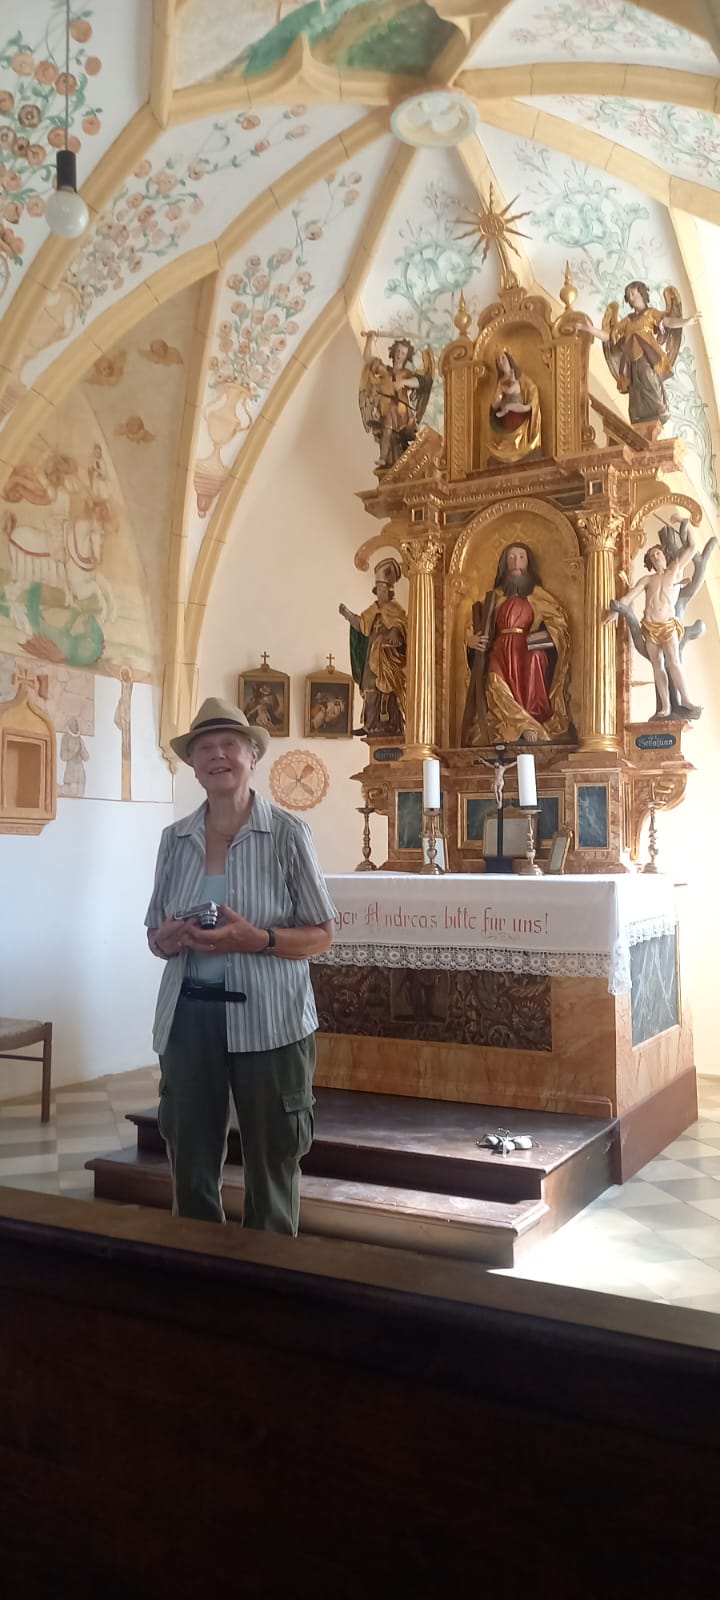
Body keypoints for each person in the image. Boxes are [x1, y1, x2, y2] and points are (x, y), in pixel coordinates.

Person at [145, 696, 336, 1233]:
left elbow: (322, 935)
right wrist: (168, 937)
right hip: (188, 1022)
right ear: (193, 763)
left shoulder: (288, 834)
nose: (217, 755)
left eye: (230, 743)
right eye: (204, 747)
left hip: (271, 1022)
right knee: (190, 1163)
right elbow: (155, 936)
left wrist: (259, 939)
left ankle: (269, 1286)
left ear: (253, 755)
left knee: (274, 1161)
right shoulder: (173, 840)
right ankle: (199, 1282)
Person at [461, 542, 572, 746]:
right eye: (511, 558)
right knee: (494, 681)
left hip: (526, 648)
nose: (516, 562)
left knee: (536, 660)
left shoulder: (539, 596)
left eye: (521, 557)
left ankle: (530, 721)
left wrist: (543, 638)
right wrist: (472, 641)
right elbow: (475, 627)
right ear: (504, 563)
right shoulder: (494, 598)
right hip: (499, 649)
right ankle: (521, 725)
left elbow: (559, 625)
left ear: (528, 563)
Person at [605, 520, 701, 719]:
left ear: (664, 555)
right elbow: (630, 596)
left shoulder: (675, 570)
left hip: (667, 624)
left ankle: (686, 698)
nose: (654, 556)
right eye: (651, 555)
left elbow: (692, 547)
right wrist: (617, 610)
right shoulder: (648, 580)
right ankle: (665, 707)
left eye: (657, 553)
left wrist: (686, 522)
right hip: (650, 626)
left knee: (673, 662)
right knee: (657, 664)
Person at [587, 281, 699, 427]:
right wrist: (590, 330)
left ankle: (659, 408)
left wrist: (686, 321)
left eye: (633, 293)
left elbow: (668, 321)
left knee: (648, 376)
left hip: (648, 357)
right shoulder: (627, 321)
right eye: (628, 296)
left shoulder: (650, 314)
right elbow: (609, 336)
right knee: (635, 388)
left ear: (642, 293)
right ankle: (638, 414)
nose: (631, 297)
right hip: (632, 360)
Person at [339, 557, 407, 737]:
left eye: (384, 589)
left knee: (387, 689)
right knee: (370, 687)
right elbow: (361, 625)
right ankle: (370, 724)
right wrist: (348, 615)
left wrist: (395, 631)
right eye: (379, 589)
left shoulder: (395, 609)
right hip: (372, 656)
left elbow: (402, 626)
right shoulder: (372, 610)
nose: (381, 593)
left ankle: (389, 723)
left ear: (389, 591)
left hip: (387, 657)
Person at [489, 350, 541, 461]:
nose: (501, 362)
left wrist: (529, 406)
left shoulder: (520, 378)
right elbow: (496, 401)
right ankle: (506, 447)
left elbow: (533, 390)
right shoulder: (501, 382)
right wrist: (496, 402)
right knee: (501, 417)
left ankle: (519, 445)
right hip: (506, 416)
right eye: (498, 361)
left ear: (509, 359)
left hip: (519, 412)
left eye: (503, 358)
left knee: (513, 410)